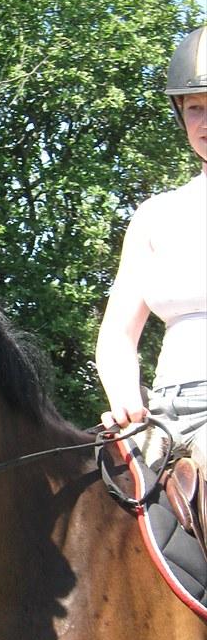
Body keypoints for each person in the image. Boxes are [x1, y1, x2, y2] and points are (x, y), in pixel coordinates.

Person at [96, 25, 207, 476]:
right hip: (161, 412)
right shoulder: (155, 216)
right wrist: (126, 397)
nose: (206, 122)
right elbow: (118, 335)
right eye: (196, 107)